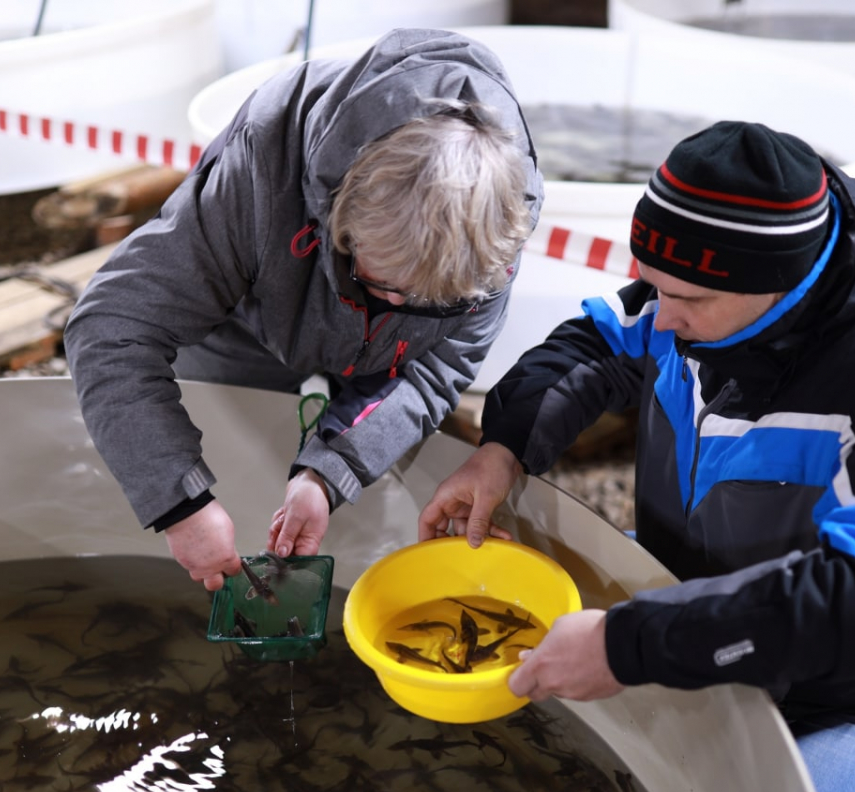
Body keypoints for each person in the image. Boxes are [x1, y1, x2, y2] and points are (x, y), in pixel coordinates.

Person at [418, 120, 855, 792]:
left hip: (853, 697)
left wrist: (628, 644)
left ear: (780, 285)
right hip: (690, 613)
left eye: (684, 298)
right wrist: (505, 447)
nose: (657, 316)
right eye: (650, 285)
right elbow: (591, 344)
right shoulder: (693, 293)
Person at [64, 28, 543, 591]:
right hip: (242, 321)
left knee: (358, 495)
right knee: (215, 474)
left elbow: (436, 370)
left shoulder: (496, 225)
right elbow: (112, 327)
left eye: (424, 300)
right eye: (382, 282)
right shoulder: (263, 162)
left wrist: (325, 473)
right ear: (339, 211)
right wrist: (179, 503)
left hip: (388, 362)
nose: (394, 303)